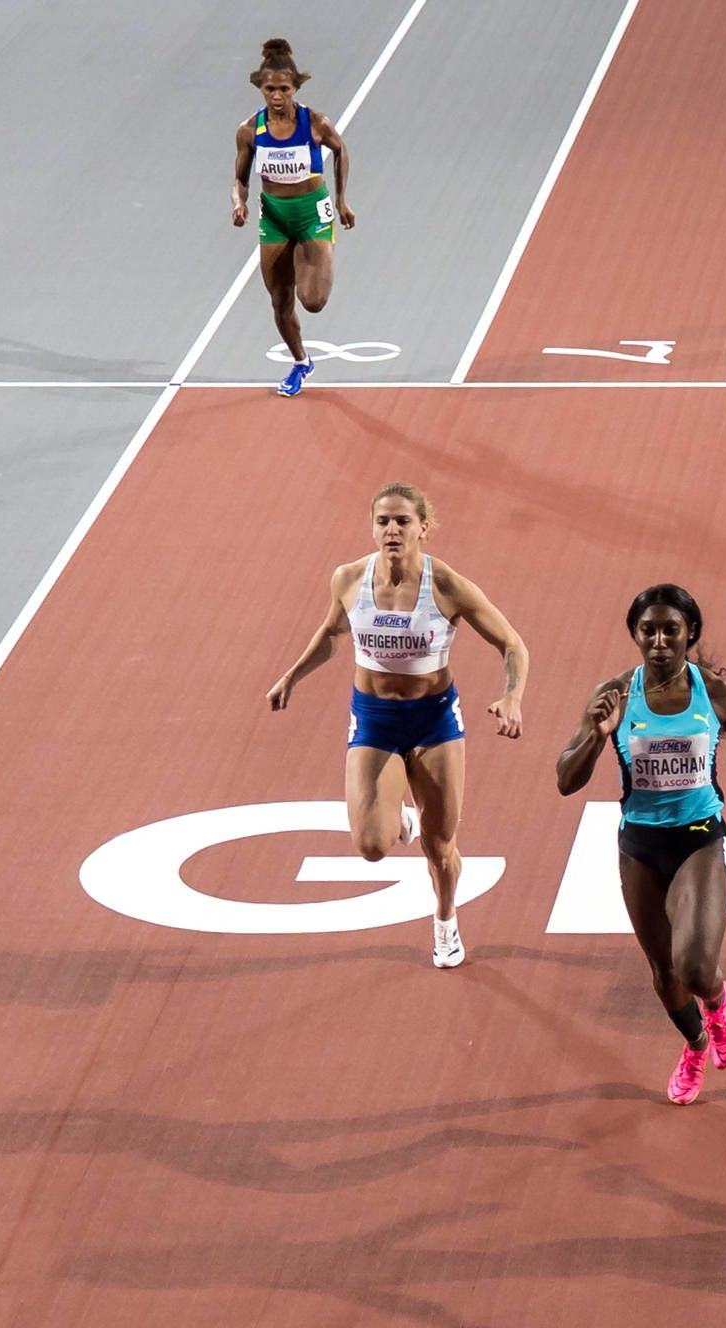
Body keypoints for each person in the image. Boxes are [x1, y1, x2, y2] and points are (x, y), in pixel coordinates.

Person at [554, 586, 726, 1105]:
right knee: (663, 973)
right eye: (648, 631)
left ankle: (717, 1007)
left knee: (693, 965)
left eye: (671, 630)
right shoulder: (614, 695)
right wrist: (598, 735)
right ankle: (694, 1045)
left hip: (699, 840)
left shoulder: (716, 694)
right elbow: (565, 779)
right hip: (640, 846)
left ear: (690, 633)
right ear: (635, 636)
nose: (660, 641)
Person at [266, 483, 529, 968]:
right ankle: (398, 817)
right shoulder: (348, 579)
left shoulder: (446, 585)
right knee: (370, 846)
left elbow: (513, 644)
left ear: (423, 529)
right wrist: (292, 676)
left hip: (434, 722)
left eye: (403, 521)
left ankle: (445, 921)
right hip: (375, 720)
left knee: (440, 845)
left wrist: (512, 695)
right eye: (383, 521)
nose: (391, 530)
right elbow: (332, 633)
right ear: (372, 527)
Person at [230, 39, 353, 396]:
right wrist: (239, 202)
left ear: (296, 87)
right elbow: (239, 178)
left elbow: (340, 151)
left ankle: (311, 254)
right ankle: (301, 362)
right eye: (270, 89)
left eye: (284, 88)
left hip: (312, 214)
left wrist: (343, 200)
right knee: (280, 301)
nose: (277, 96)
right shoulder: (249, 130)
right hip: (275, 218)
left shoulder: (314, 122)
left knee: (312, 302)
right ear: (260, 88)